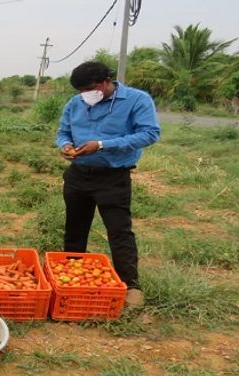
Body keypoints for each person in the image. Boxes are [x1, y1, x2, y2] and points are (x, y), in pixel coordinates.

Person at [55, 61, 160, 308]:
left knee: (119, 230)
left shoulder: (136, 100)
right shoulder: (76, 103)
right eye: (81, 91)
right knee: (75, 228)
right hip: (79, 174)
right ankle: (73, 277)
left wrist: (102, 144)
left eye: (90, 89)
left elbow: (149, 134)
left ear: (105, 82)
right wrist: (65, 146)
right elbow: (63, 132)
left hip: (113, 177)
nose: (86, 95)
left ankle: (131, 285)